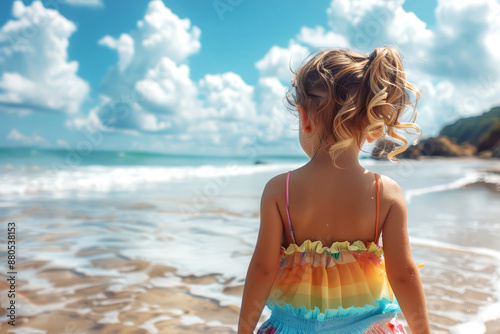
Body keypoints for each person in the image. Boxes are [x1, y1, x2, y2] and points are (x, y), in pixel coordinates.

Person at [238, 46, 430, 334]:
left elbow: (262, 269)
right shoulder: (385, 193)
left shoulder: (280, 190)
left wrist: (243, 330)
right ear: (374, 126)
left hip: (293, 327)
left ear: (304, 118)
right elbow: (403, 274)